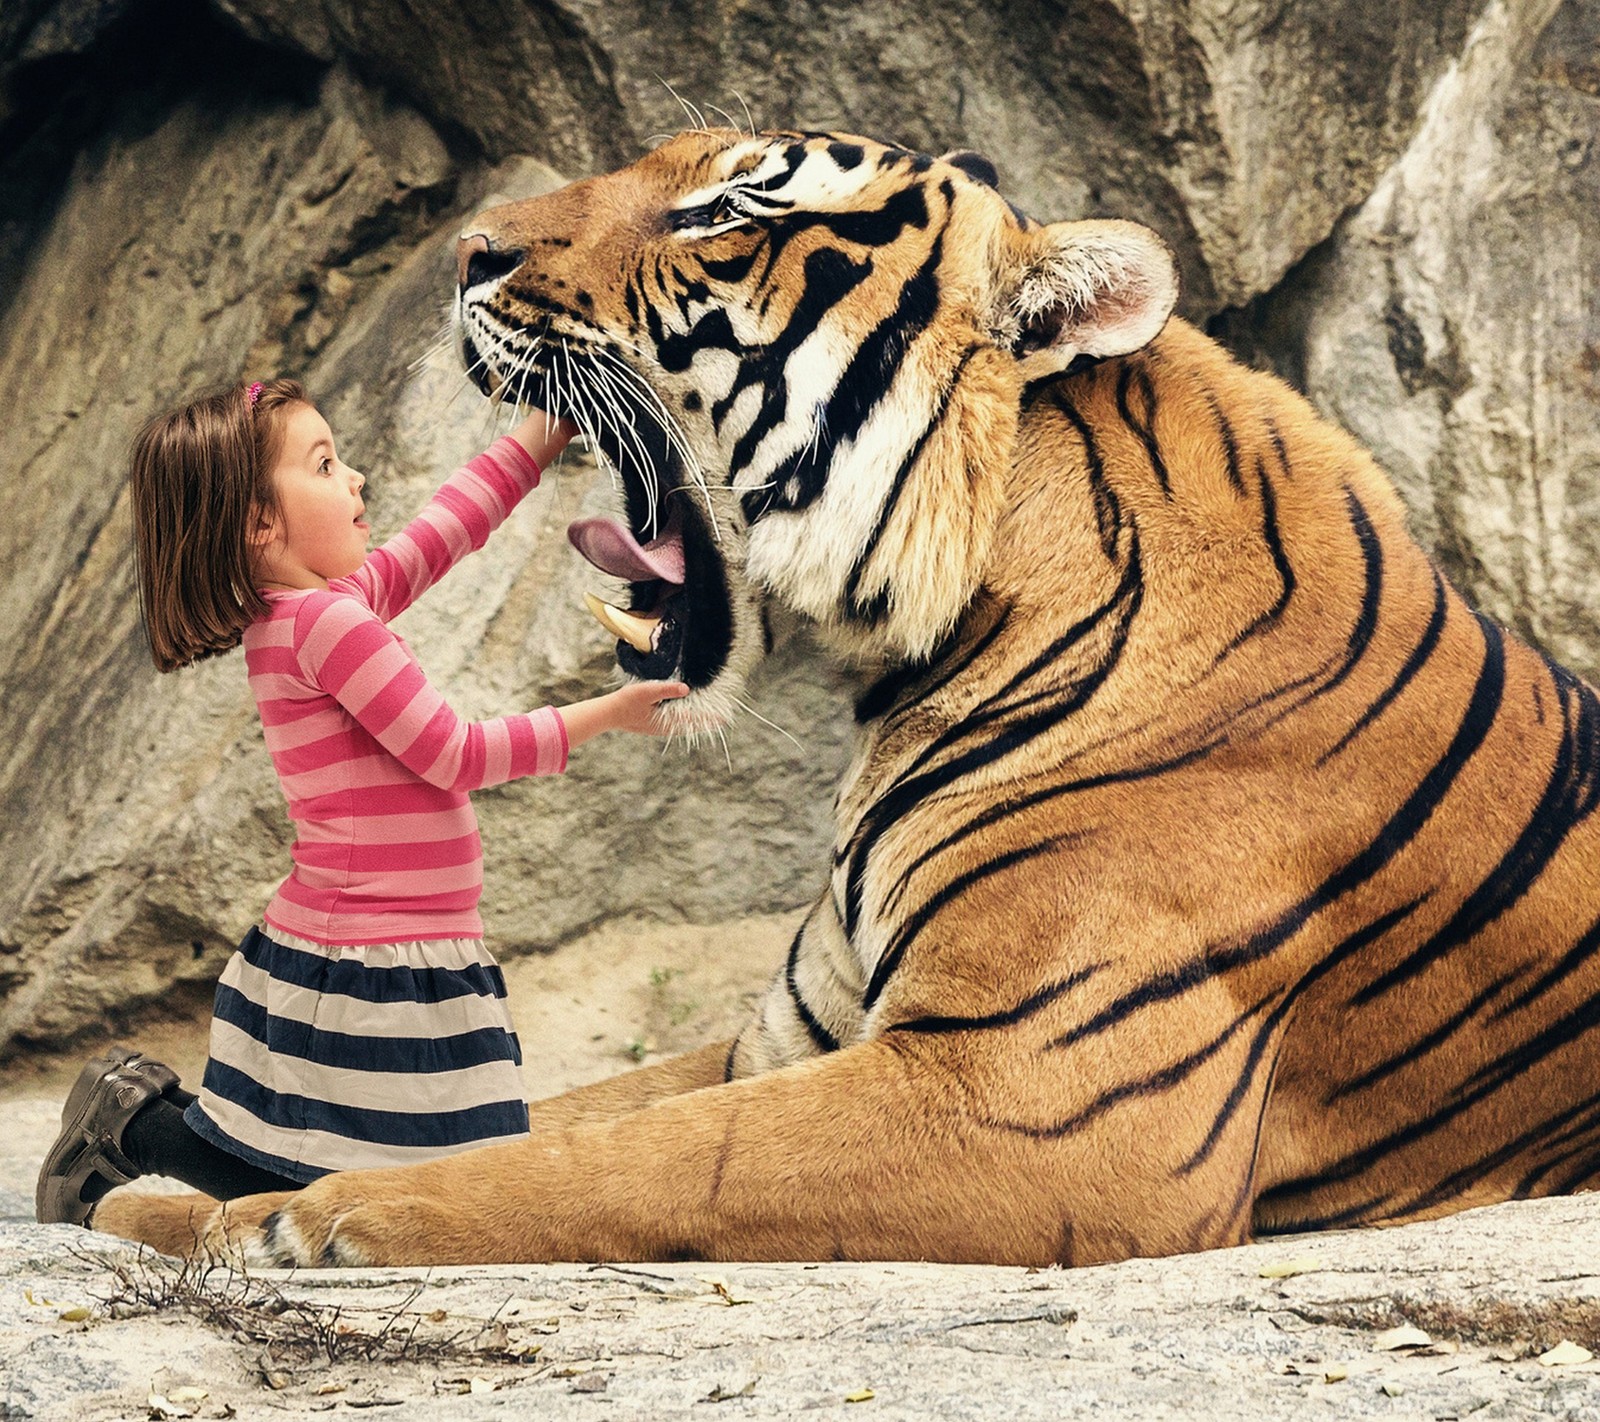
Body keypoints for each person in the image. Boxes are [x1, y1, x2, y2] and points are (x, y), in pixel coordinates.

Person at [36, 378, 688, 1226]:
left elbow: (441, 534)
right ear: (259, 524)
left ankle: (133, 1120)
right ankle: (137, 1127)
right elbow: (452, 755)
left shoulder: (313, 610)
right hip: (375, 959)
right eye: (325, 464)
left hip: (379, 942)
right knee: (385, 1204)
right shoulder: (326, 627)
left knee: (365, 1192)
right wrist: (608, 715)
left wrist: (542, 433)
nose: (357, 480)